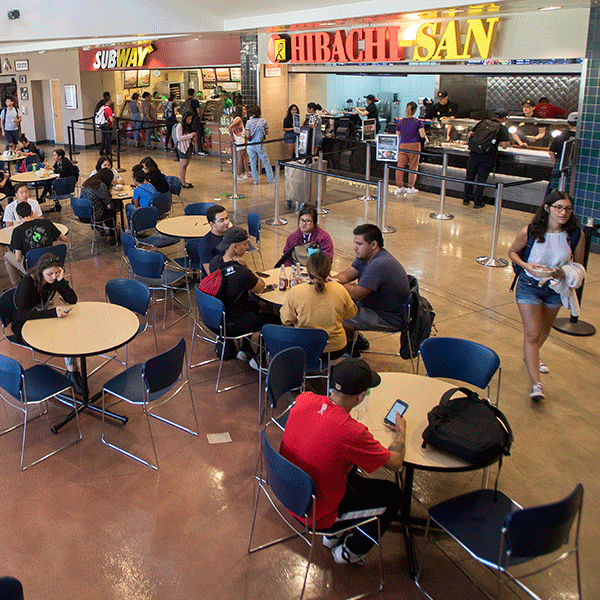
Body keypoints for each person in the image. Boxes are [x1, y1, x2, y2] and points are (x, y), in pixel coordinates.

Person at [280, 358, 405, 564]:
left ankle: (333, 537)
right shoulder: (351, 433)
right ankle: (351, 551)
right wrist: (401, 430)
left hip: (290, 492)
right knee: (393, 495)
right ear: (361, 396)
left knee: (347, 464)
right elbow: (396, 462)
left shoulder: (305, 398)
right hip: (315, 512)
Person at [508, 191, 584, 402]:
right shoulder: (530, 231)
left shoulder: (575, 234)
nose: (563, 213)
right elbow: (513, 251)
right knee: (532, 334)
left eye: (567, 209)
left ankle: (530, 357)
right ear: (547, 208)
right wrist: (526, 266)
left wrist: (564, 273)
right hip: (529, 285)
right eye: (558, 207)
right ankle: (536, 383)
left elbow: (579, 265)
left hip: (556, 288)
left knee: (543, 331)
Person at [13, 252, 84, 394]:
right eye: (50, 273)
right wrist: (52, 313)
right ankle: (73, 373)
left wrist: (61, 280)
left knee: (69, 329)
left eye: (57, 272)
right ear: (40, 272)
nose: (53, 277)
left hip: (42, 317)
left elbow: (72, 299)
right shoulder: (28, 283)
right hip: (24, 325)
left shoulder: (55, 280)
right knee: (65, 336)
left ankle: (73, 371)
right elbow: (21, 315)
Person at [208, 226, 280, 362]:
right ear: (235, 247)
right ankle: (259, 360)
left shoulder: (215, 262)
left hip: (216, 319)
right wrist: (248, 267)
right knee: (275, 320)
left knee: (253, 306)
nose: (247, 247)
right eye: (245, 244)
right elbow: (260, 286)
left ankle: (245, 348)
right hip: (233, 324)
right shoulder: (241, 272)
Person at [335, 224, 410, 349]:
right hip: (375, 307)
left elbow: (357, 294)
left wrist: (334, 283)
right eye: (355, 243)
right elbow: (349, 273)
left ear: (373, 245)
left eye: (359, 244)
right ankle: (355, 342)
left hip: (388, 317)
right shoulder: (366, 256)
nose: (355, 247)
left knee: (336, 316)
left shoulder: (380, 264)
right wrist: (333, 279)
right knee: (340, 304)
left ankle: (349, 351)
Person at [281, 252, 357, 360]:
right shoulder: (339, 289)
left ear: (307, 271)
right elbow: (351, 313)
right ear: (329, 271)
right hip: (335, 348)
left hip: (304, 347)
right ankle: (333, 374)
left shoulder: (296, 291)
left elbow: (286, 320)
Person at [462, 108, 510, 209]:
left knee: (469, 177)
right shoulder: (501, 128)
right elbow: (505, 145)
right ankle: (477, 202)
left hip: (474, 154)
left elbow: (470, 134)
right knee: (481, 179)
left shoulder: (483, 122)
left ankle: (466, 199)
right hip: (487, 156)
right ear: (504, 118)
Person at [395, 101, 428, 195]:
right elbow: (422, 135)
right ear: (414, 111)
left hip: (402, 146)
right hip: (414, 145)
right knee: (413, 167)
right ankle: (410, 187)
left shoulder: (400, 122)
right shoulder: (418, 122)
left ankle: (399, 187)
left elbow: (397, 136)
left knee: (400, 167)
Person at [80, 168, 116, 243]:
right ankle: (112, 235)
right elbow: (107, 201)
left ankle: (99, 228)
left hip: (81, 214)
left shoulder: (88, 182)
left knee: (99, 206)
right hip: (93, 215)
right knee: (111, 212)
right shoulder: (100, 185)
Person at [546, 112, 578, 196]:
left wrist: (558, 163)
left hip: (561, 164)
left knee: (557, 191)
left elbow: (551, 152)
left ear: (568, 123)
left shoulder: (562, 135)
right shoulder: (583, 136)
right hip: (577, 166)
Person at [245, 106, 274, 185]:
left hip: (251, 144)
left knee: (253, 162)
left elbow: (248, 135)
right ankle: (270, 179)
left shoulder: (249, 122)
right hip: (259, 144)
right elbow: (267, 132)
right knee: (266, 162)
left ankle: (256, 180)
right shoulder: (263, 121)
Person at [199, 204, 230, 277]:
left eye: (227, 218)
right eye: (221, 220)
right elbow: (212, 276)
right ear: (212, 224)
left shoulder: (230, 235)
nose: (226, 222)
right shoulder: (205, 244)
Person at [175, 111, 197, 188]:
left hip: (188, 146)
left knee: (185, 164)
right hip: (182, 147)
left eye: (191, 119)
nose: (190, 121)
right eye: (188, 119)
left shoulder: (189, 126)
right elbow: (179, 138)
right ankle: (183, 182)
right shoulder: (180, 126)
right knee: (183, 165)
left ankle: (183, 181)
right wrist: (191, 135)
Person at [228, 105, 248, 179]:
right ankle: (238, 174)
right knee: (240, 159)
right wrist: (232, 137)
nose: (245, 111)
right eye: (243, 110)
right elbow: (230, 127)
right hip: (239, 141)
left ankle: (244, 172)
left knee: (242, 157)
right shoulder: (238, 119)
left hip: (240, 140)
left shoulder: (239, 119)